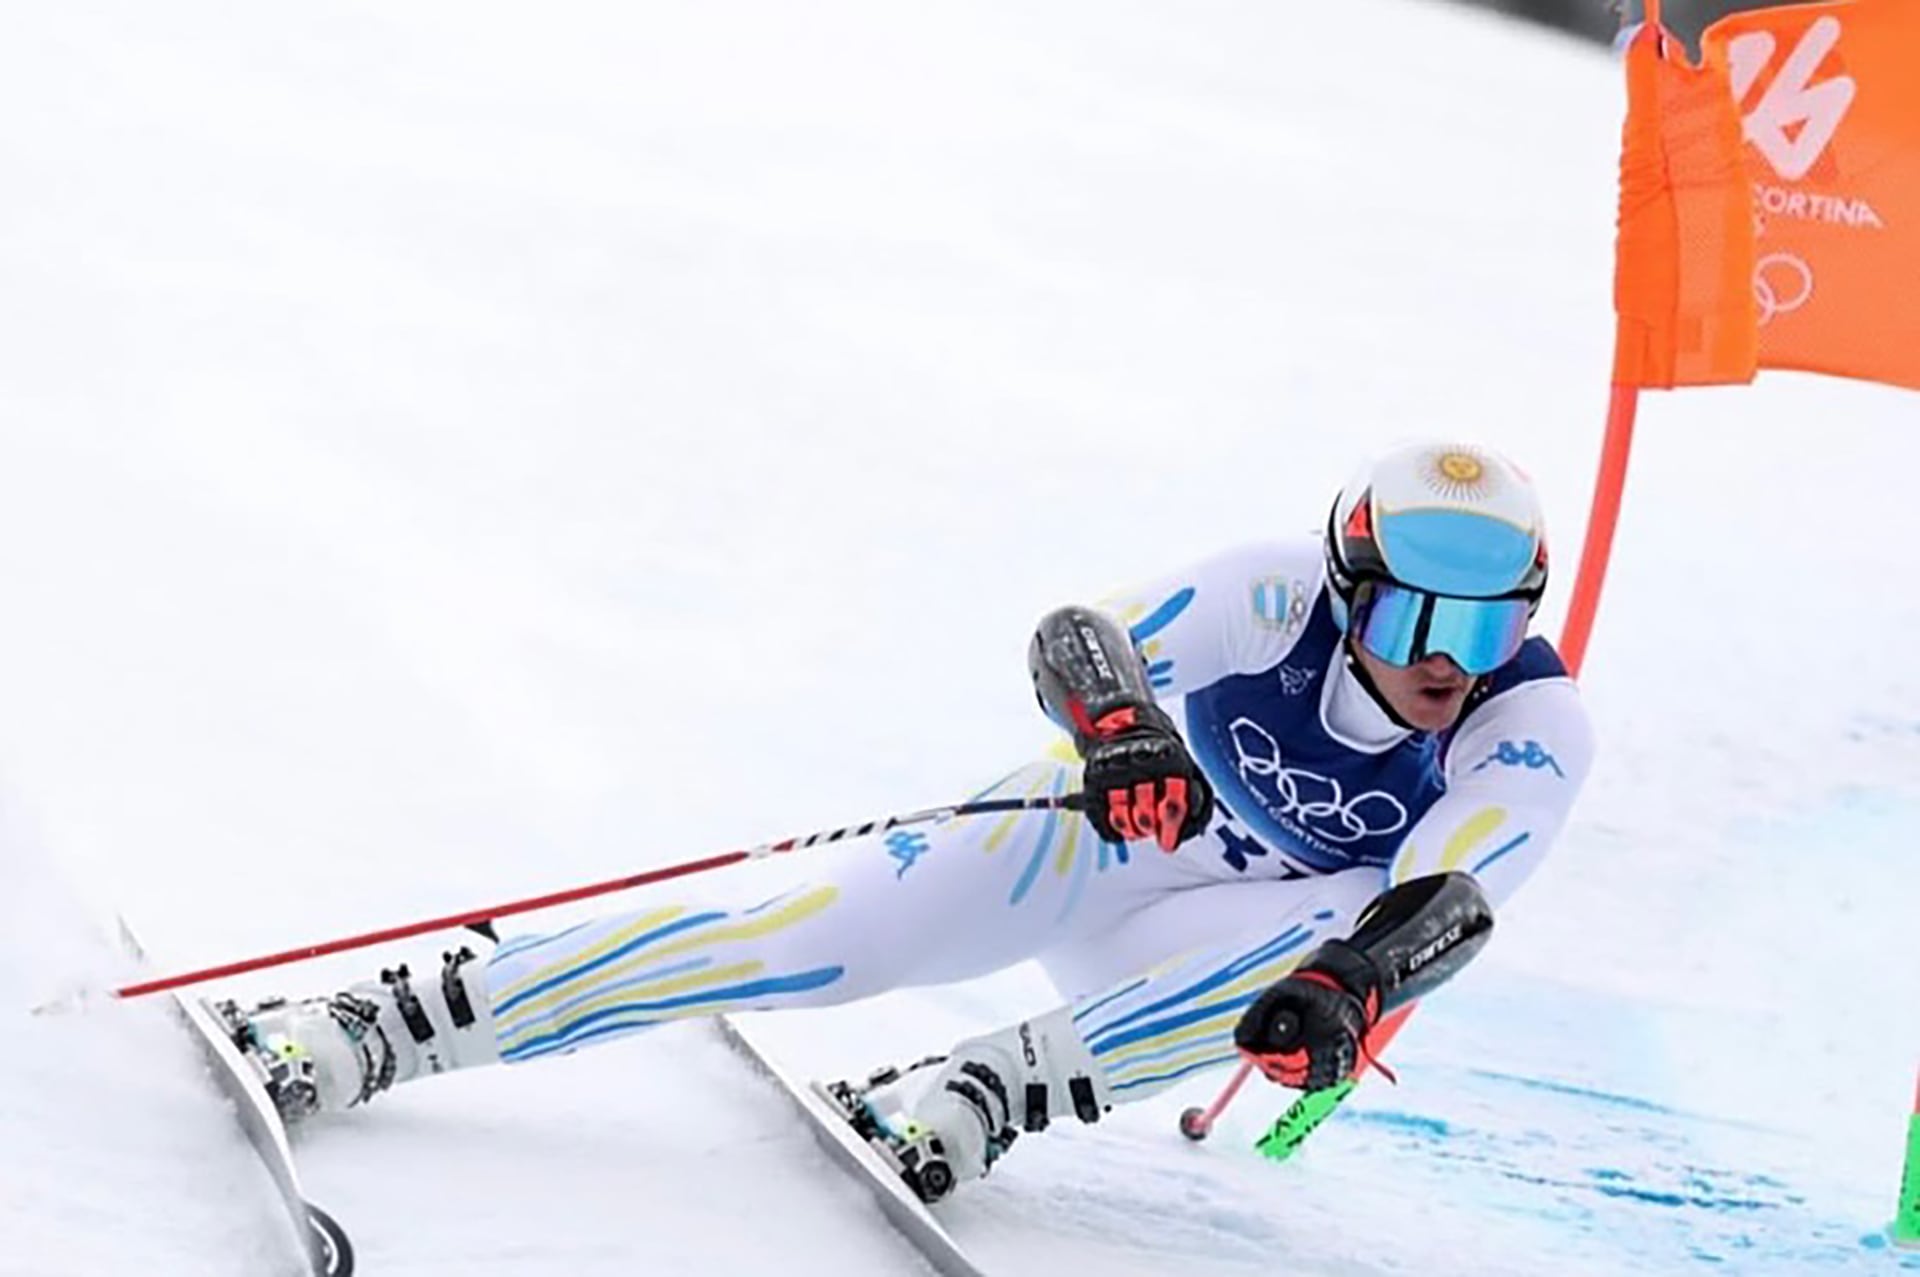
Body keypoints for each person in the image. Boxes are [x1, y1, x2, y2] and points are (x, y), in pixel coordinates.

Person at [234, 440, 1593, 1201]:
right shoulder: (1272, 590)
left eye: (1489, 621)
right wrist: (1121, 728)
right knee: (814, 935)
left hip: (1215, 959)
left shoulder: (1528, 725)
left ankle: (982, 1092)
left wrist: (1355, 987)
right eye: (1417, 612)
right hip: (1120, 842)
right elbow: (1085, 631)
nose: (1448, 657)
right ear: (1350, 585)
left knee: (1337, 931)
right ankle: (402, 1018)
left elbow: (1453, 900)